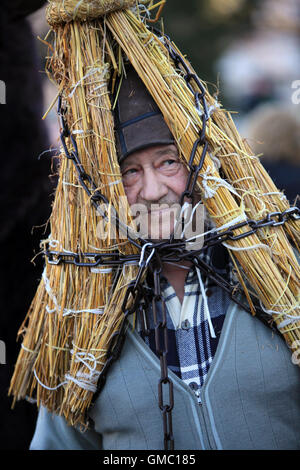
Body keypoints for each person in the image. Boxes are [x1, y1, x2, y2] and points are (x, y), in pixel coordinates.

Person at [29, 67, 300, 451]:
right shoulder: (82, 312)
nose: (154, 191)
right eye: (130, 172)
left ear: (201, 164)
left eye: (168, 162)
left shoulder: (281, 271)